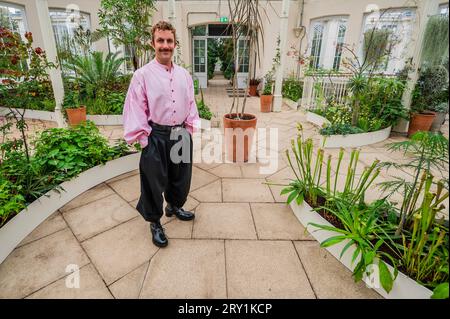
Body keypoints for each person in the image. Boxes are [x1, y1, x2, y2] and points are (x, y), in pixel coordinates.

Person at [123, 21, 200, 248]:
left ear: (175, 44)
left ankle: (174, 206)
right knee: (153, 181)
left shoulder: (184, 75)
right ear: (153, 43)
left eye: (169, 41)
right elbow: (135, 106)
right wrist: (144, 138)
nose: (165, 45)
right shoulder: (142, 75)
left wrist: (189, 129)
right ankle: (155, 221)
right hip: (155, 135)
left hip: (181, 133)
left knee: (181, 176)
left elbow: (191, 102)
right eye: (160, 41)